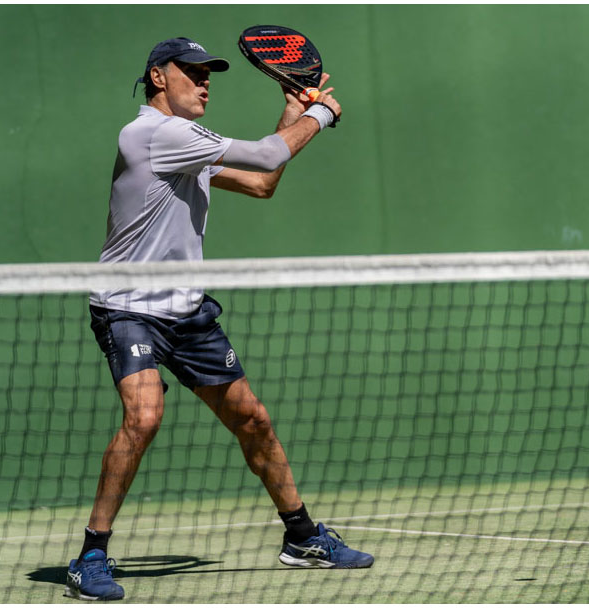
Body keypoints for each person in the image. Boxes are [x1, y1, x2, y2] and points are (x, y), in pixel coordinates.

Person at [64, 37, 373, 602]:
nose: (204, 82)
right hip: (129, 306)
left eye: (209, 74)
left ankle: (302, 536)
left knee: (252, 420)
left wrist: (291, 114)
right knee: (144, 417)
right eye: (192, 72)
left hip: (186, 311)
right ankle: (91, 555)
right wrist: (321, 115)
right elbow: (267, 156)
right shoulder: (154, 133)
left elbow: (261, 183)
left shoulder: (189, 144)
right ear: (159, 77)